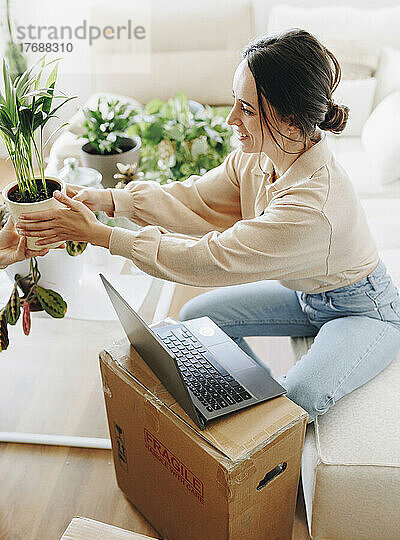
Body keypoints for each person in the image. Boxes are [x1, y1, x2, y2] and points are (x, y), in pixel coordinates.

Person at [15, 29, 400, 423]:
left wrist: (102, 235)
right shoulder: (261, 155)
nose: (231, 118)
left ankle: (263, 434)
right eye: (236, 102)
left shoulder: (312, 207)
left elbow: (211, 259)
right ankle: (255, 401)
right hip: (307, 294)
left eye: (246, 109)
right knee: (198, 317)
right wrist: (111, 200)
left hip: (361, 310)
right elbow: (197, 198)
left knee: (298, 398)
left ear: (287, 119)